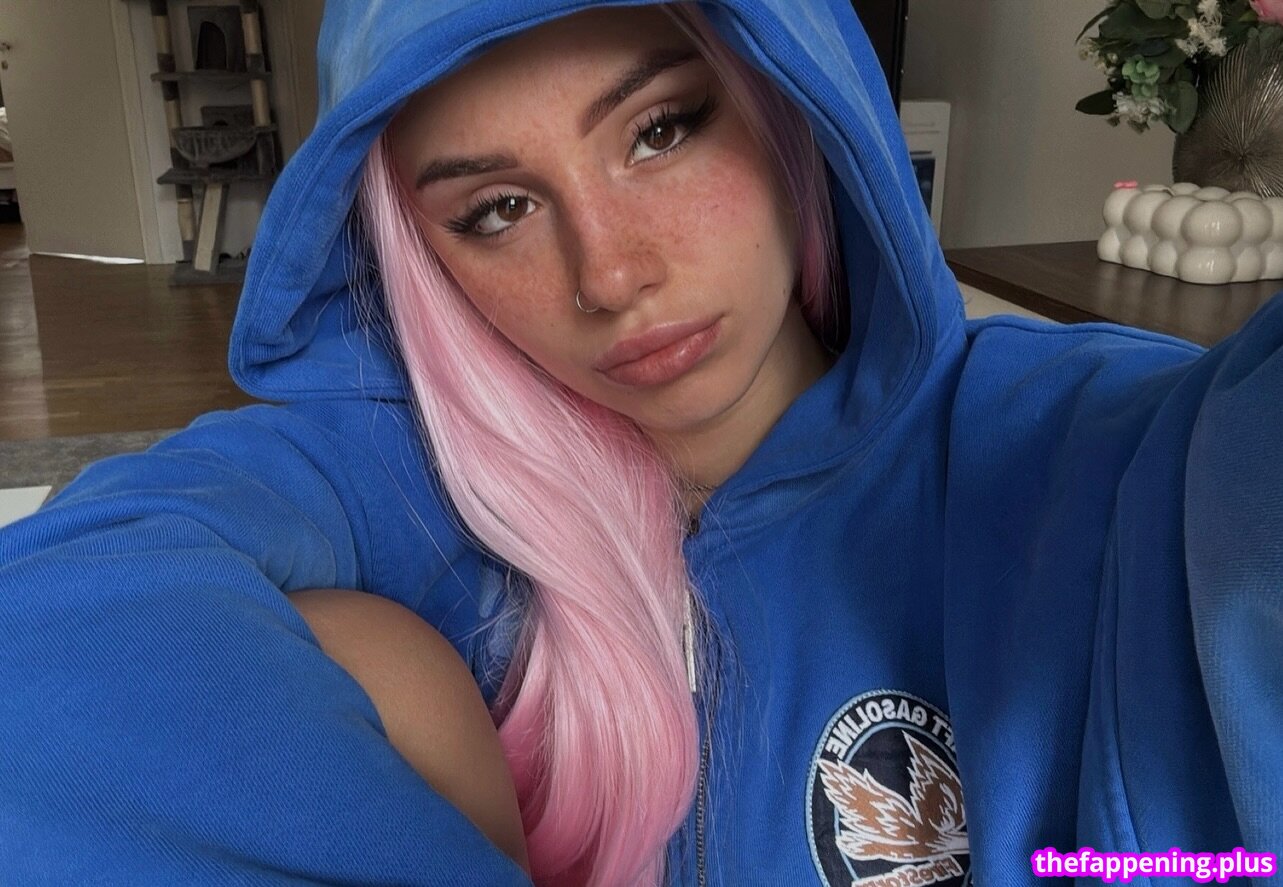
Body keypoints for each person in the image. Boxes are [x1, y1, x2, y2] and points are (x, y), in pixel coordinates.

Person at [1, 0, 1280, 885]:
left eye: (662, 128)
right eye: (497, 209)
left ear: (788, 102)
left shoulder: (1103, 451)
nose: (610, 274)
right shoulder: (405, 478)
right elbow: (55, 633)